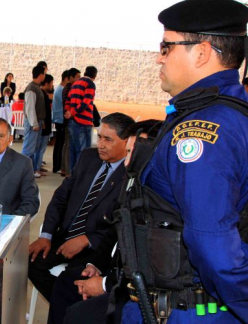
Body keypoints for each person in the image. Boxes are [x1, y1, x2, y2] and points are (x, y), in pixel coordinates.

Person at [121, 1, 248, 323]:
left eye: (167, 46)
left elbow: (213, 244)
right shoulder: (223, 114)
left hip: (188, 311)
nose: (159, 57)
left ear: (202, 52)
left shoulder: (203, 130)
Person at [47, 120, 162, 324]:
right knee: (65, 282)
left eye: (134, 151)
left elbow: (148, 264)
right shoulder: (130, 180)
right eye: (99, 137)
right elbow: (115, 233)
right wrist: (96, 266)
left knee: (76, 313)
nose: (128, 160)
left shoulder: (157, 195)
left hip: (136, 286)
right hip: (106, 261)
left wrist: (106, 284)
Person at [28, 113, 134, 302]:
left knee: (75, 280)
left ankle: (69, 308)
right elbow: (61, 197)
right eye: (99, 137)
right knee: (30, 262)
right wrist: (46, 235)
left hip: (98, 249)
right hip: (66, 235)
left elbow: (123, 224)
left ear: (127, 142)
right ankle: (67, 309)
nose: (100, 144)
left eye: (108, 139)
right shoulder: (88, 157)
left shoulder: (132, 175)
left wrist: (88, 239)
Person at [65, 66, 98, 171]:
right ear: (95, 75)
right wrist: (73, 112)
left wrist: (69, 112)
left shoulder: (76, 83)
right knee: (83, 152)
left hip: (73, 121)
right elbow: (85, 102)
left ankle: (72, 174)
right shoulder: (90, 84)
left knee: (73, 150)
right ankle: (79, 176)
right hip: (83, 122)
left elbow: (68, 101)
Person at [22, 65, 46, 172]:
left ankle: (29, 171)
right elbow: (30, 108)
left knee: (33, 148)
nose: (44, 76)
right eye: (44, 74)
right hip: (33, 123)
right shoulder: (32, 88)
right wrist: (34, 123)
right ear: (41, 75)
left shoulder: (36, 87)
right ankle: (22, 171)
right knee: (28, 149)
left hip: (37, 122)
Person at [33, 74, 54, 178]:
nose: (52, 85)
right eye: (51, 83)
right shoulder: (41, 94)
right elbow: (42, 110)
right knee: (39, 149)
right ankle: (36, 168)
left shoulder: (43, 94)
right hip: (44, 124)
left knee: (40, 149)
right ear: (47, 83)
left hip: (45, 124)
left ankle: (38, 166)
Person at [62, 68, 81, 176]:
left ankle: (65, 169)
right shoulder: (70, 89)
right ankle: (69, 171)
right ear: (71, 78)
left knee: (67, 145)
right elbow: (69, 107)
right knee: (69, 146)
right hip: (70, 121)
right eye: (78, 76)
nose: (79, 79)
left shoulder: (68, 88)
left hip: (68, 121)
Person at [52, 70, 69, 174]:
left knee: (60, 143)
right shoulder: (62, 90)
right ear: (67, 78)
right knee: (60, 144)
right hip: (60, 120)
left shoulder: (59, 89)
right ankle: (57, 166)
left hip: (59, 119)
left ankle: (57, 166)